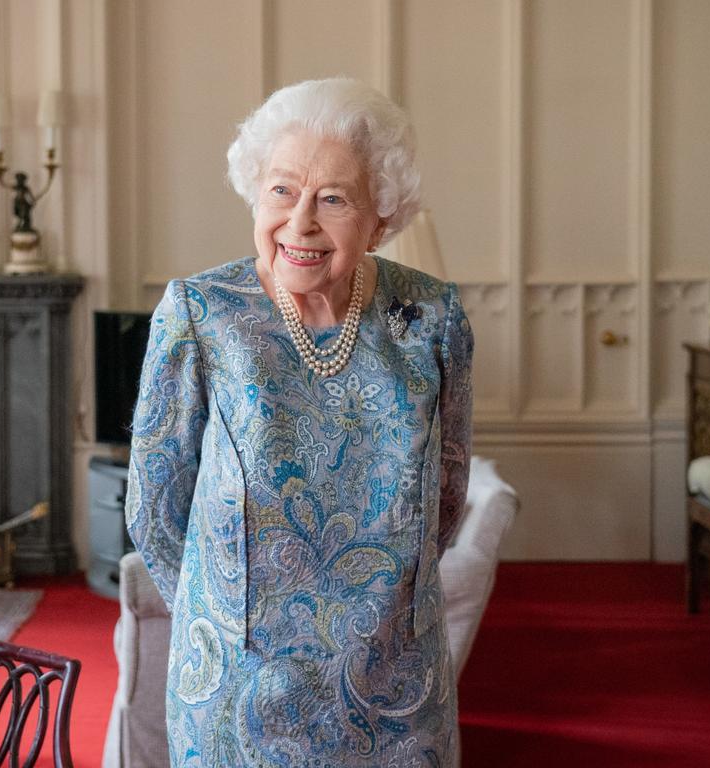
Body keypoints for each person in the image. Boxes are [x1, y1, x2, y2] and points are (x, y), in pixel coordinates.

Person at [126, 77, 473, 766]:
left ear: (381, 219)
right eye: (282, 190)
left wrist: (384, 616)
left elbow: (449, 495)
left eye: (334, 199)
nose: (301, 222)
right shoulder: (202, 315)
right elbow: (155, 508)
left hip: (396, 686)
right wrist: (227, 622)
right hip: (239, 692)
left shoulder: (431, 318)